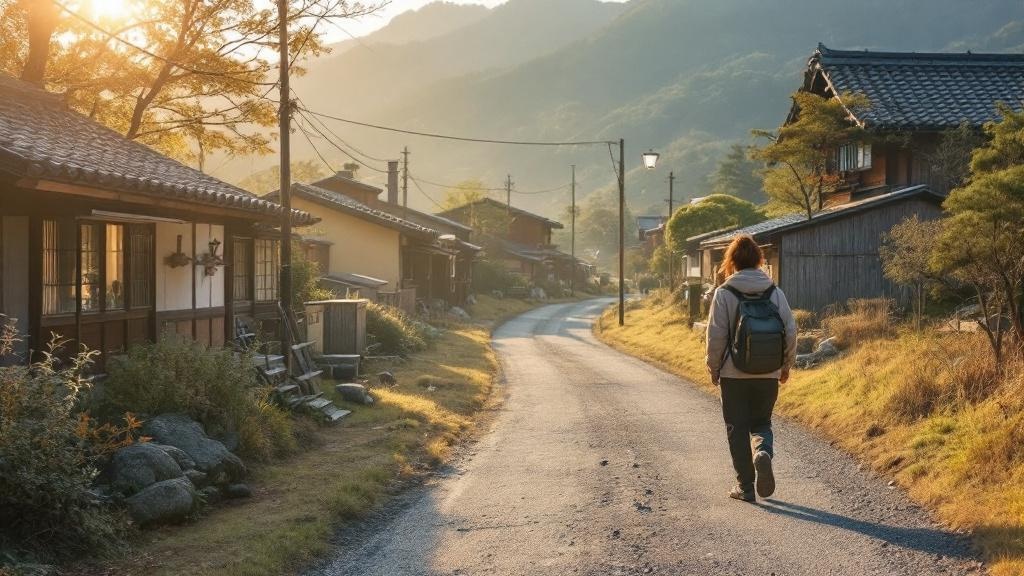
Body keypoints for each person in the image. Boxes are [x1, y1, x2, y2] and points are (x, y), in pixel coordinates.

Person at [705, 235, 797, 503]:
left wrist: (713, 367)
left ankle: (745, 487)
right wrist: (785, 365)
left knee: (736, 428)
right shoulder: (774, 292)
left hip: (733, 375)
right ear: (759, 259)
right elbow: (790, 331)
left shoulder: (724, 293)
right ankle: (763, 451)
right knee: (762, 422)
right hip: (767, 372)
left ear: (731, 262)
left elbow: (716, 336)